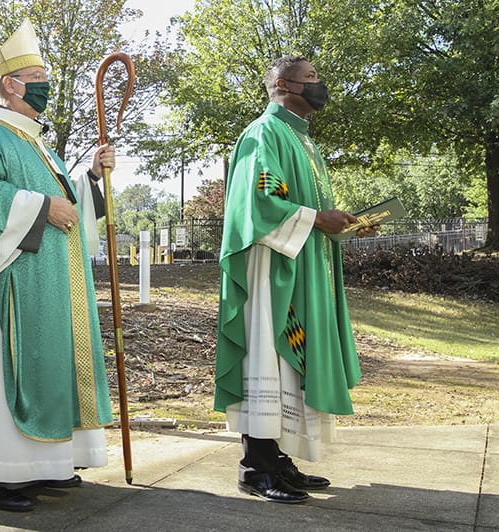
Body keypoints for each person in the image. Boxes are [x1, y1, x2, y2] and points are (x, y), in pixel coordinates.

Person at [0, 20, 115, 513]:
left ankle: (44, 466)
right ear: (9, 84)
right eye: (36, 74)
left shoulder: (35, 140)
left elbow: (66, 202)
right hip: (7, 281)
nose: (45, 83)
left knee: (47, 363)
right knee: (4, 367)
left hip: (50, 279)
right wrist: (40, 208)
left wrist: (91, 178)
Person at [215, 56, 376, 504]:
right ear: (283, 85)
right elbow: (261, 199)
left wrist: (346, 223)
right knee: (270, 357)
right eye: (311, 80)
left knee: (292, 364)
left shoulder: (304, 142)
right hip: (272, 271)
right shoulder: (264, 133)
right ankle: (255, 467)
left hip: (303, 265)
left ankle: (280, 460)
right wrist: (313, 218)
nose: (320, 86)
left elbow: (306, 207)